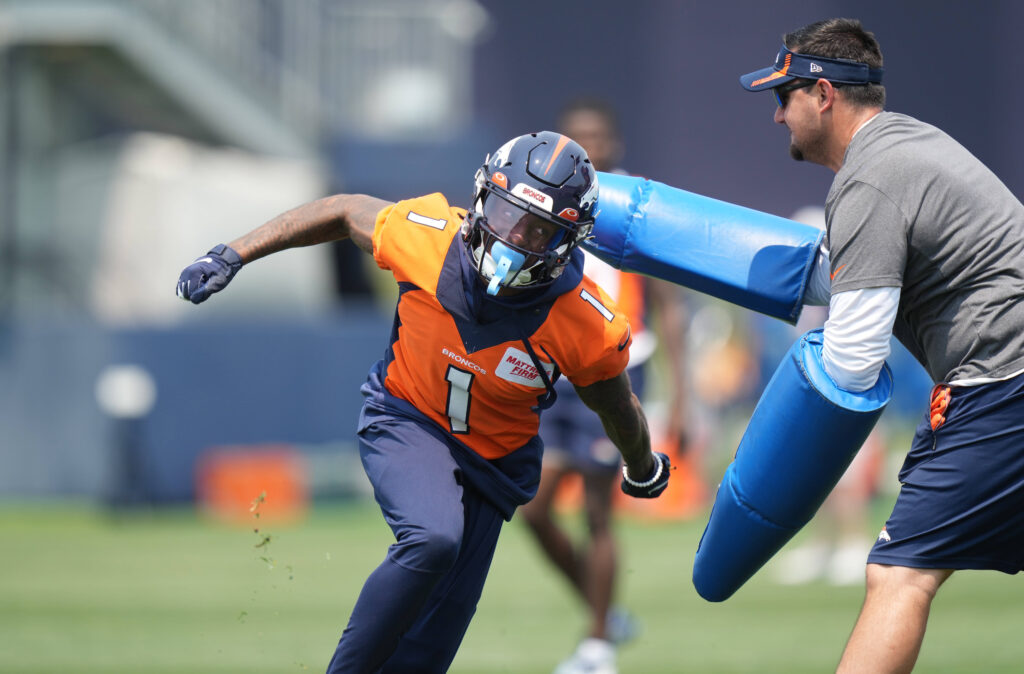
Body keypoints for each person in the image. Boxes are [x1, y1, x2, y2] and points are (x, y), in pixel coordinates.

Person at [175, 130, 671, 673]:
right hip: (406, 419)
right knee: (433, 538)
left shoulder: (582, 321)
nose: (513, 239)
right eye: (507, 216)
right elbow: (342, 210)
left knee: (429, 653)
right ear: (482, 198)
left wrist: (643, 464)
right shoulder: (427, 238)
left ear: (567, 241)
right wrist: (234, 253)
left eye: (538, 230)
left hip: (494, 468)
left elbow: (616, 406)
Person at [740, 17, 1024, 673]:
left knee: (899, 574)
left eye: (784, 99)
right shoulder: (908, 144)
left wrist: (775, 467)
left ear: (824, 95)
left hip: (1001, 386)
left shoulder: (868, 181)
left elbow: (853, 360)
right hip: (1007, 378)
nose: (778, 118)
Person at [517, 99, 688, 674]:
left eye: (598, 135)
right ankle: (604, 612)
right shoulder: (546, 199)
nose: (590, 144)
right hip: (553, 369)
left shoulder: (635, 207)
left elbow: (668, 305)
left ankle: (596, 647)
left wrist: (682, 396)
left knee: (596, 511)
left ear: (614, 142)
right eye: (578, 136)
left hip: (616, 366)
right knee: (535, 510)